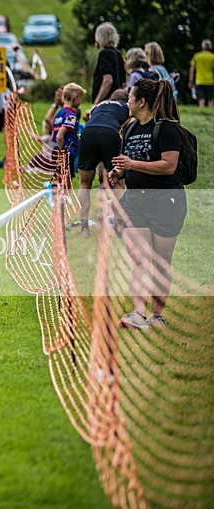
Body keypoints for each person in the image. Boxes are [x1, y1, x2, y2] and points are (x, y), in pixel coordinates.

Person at [109, 79, 187, 329]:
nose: (127, 102)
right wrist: (119, 173)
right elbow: (129, 163)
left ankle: (157, 315)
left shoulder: (167, 129)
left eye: (130, 98)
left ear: (142, 102)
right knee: (140, 259)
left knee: (161, 262)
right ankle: (138, 314)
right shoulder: (130, 128)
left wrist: (132, 165)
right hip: (135, 201)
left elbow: (169, 166)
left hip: (166, 202)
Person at [77, 89, 129, 233]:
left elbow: (89, 116)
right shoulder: (126, 106)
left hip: (88, 133)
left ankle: (84, 227)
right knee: (118, 182)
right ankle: (119, 226)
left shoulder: (98, 105)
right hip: (110, 134)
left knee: (84, 183)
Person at [86, 22, 126, 120]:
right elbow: (123, 81)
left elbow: (108, 80)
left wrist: (96, 103)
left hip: (105, 103)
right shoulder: (118, 54)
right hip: (117, 102)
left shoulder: (104, 54)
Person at [52, 83, 85, 178]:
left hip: (57, 152)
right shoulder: (71, 116)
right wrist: (61, 154)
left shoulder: (59, 114)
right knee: (66, 183)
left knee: (60, 180)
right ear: (75, 97)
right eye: (80, 98)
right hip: (66, 154)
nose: (81, 101)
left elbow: (53, 136)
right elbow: (59, 136)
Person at [188, 39, 214, 108]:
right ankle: (211, 115)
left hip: (199, 81)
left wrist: (190, 81)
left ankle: (201, 115)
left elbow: (192, 69)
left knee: (201, 100)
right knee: (211, 100)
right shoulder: (212, 56)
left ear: (202, 46)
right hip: (210, 81)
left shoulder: (197, 56)